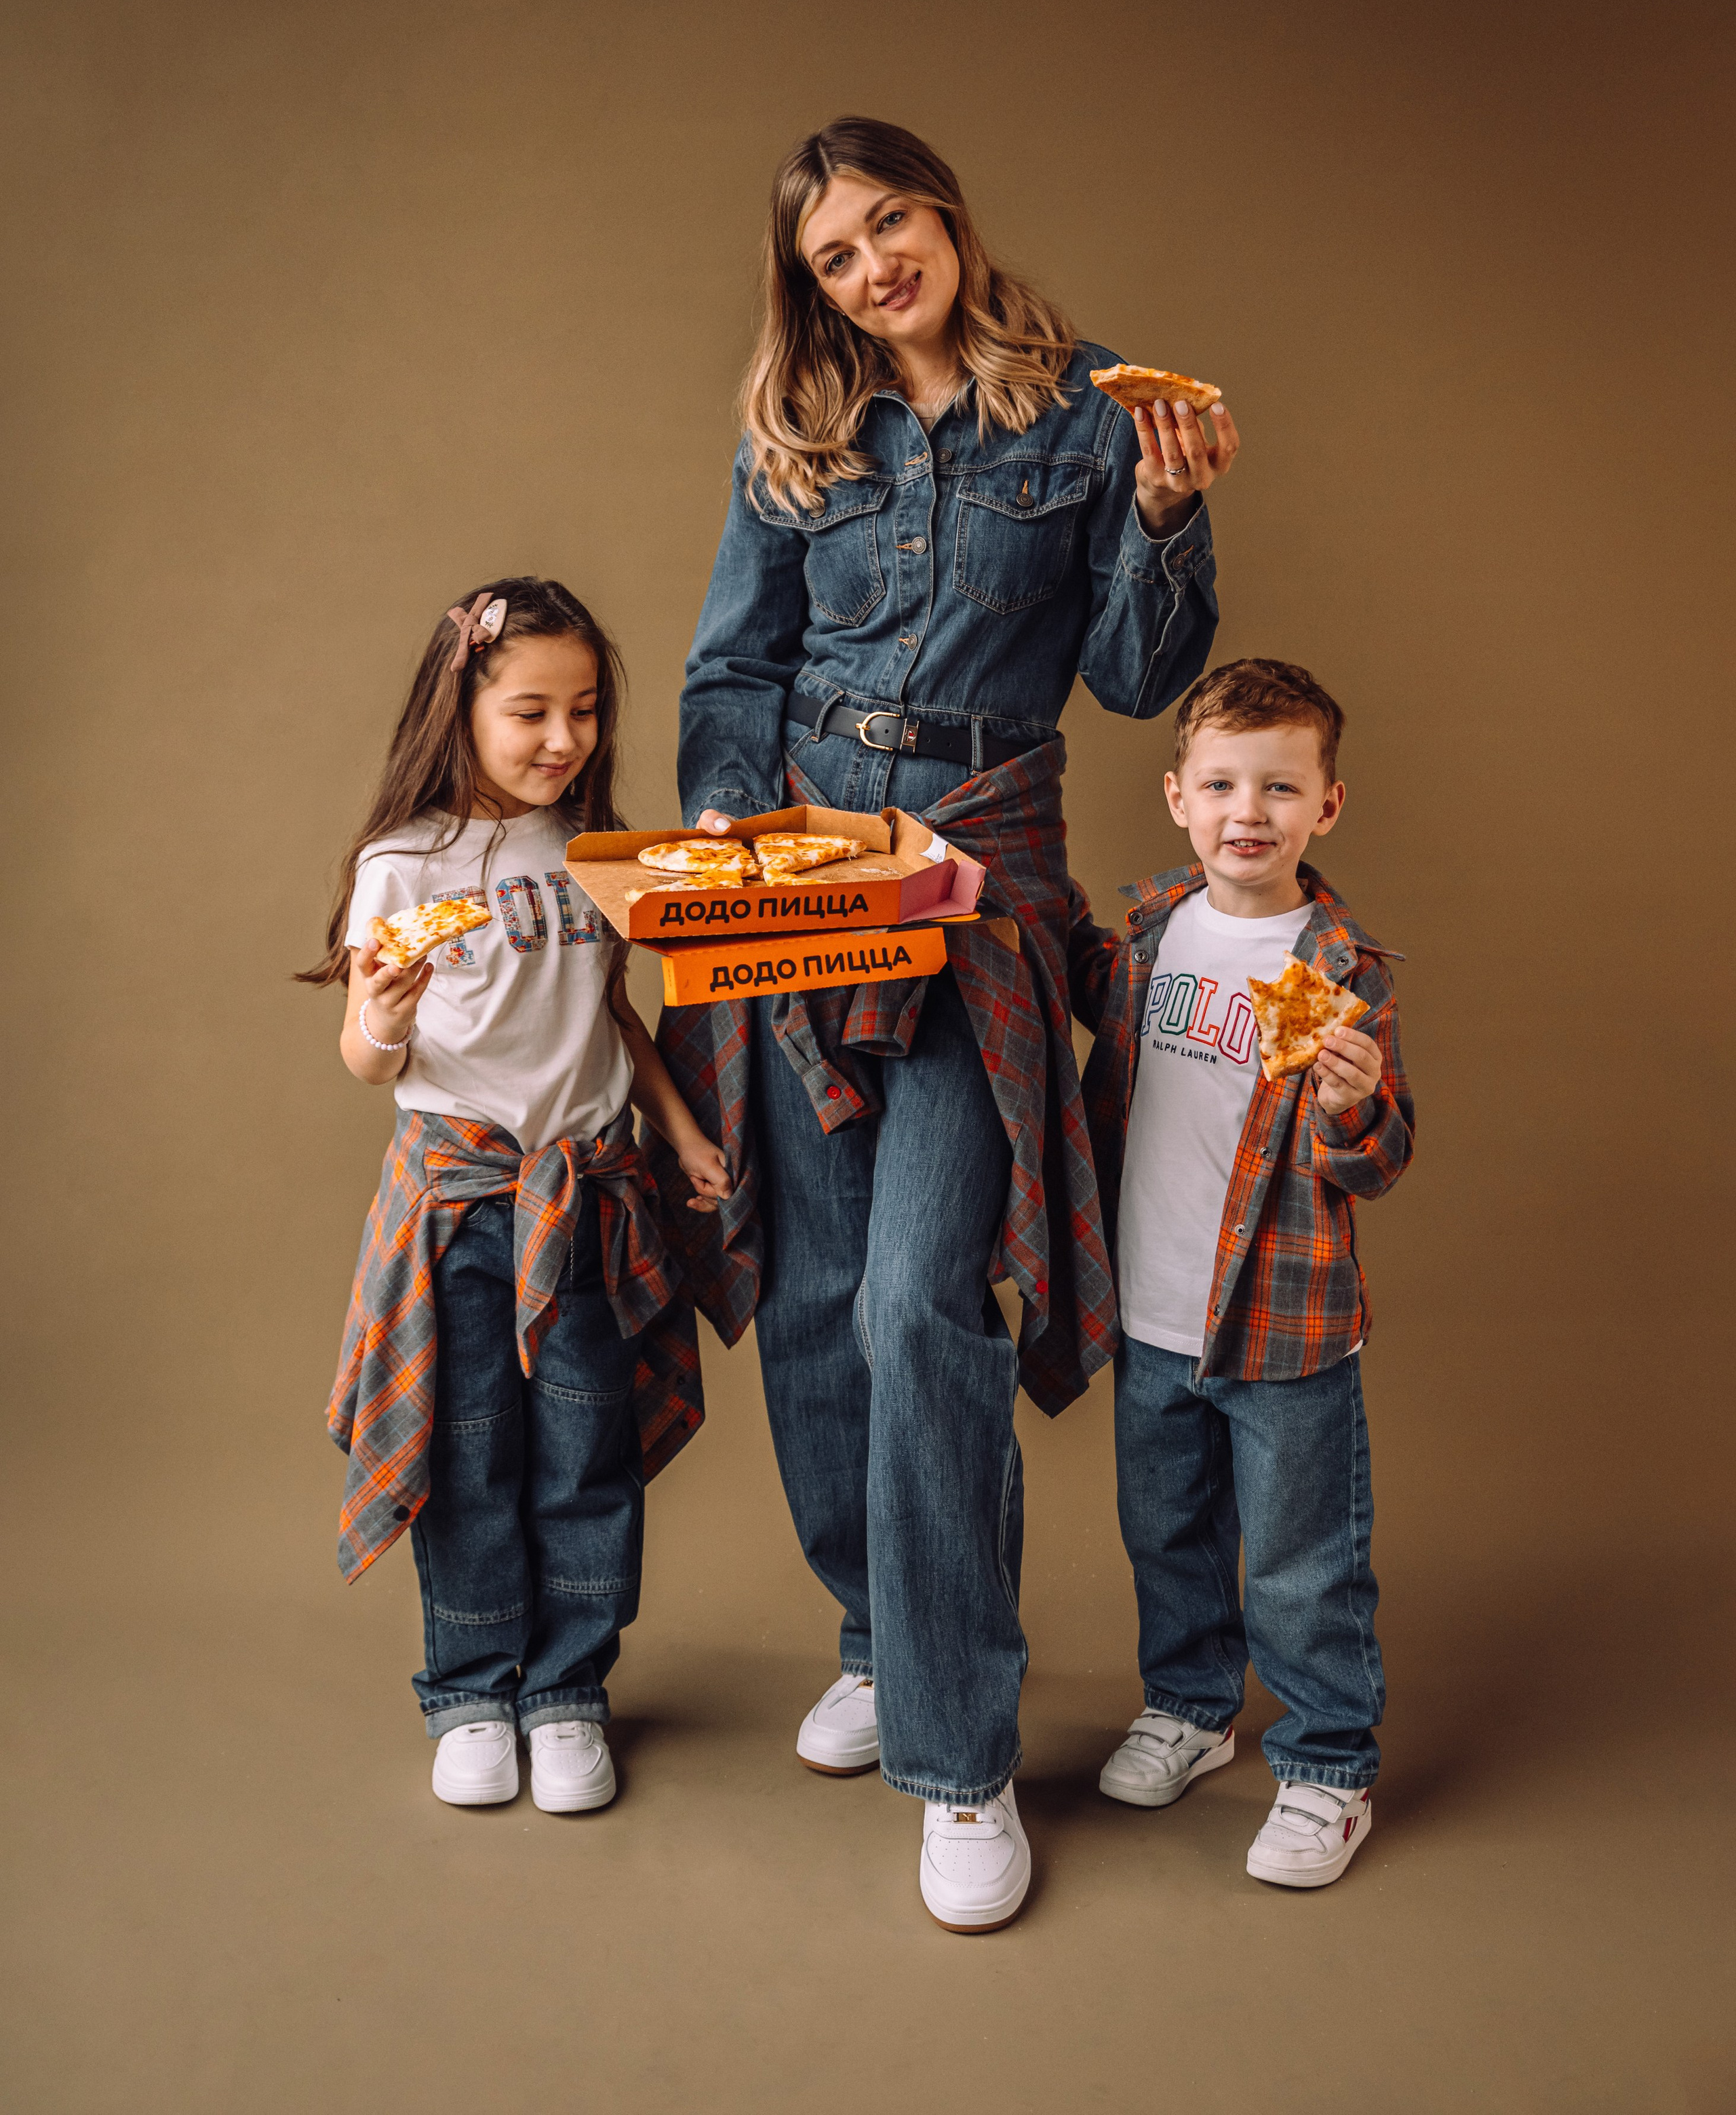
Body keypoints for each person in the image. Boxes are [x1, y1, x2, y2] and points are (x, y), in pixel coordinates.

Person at [661, 117, 1239, 1930]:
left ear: (949, 211)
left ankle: (960, 1760)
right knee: (819, 1303)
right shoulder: (798, 441)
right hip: (799, 879)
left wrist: (1160, 511)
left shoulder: (1084, 413)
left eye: (889, 222)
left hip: (983, 879)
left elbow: (1139, 682)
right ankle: (875, 1631)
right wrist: (735, 879)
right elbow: (730, 672)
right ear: (806, 283)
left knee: (924, 1300)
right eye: (832, 255)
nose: (871, 268)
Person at [300, 577, 730, 1812]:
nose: (563, 739)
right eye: (531, 710)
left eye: (586, 710)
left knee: (585, 1451)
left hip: (592, 1196)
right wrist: (380, 1019)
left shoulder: (597, 858)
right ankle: (474, 1688)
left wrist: (684, 1131)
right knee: (473, 1449)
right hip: (464, 1203)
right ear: (463, 707)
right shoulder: (403, 863)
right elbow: (368, 1055)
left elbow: (605, 1016)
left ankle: (569, 1690)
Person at [1071, 657, 1415, 1888]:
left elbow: (1380, 1166)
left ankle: (1328, 1766)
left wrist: (1353, 1112)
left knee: (1302, 1559)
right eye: (1221, 783)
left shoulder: (1342, 968)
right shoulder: (1149, 930)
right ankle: (1193, 1707)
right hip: (1154, 1311)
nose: (1247, 811)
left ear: (1327, 806)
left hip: (1287, 1328)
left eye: (1280, 786)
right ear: (1177, 796)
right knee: (1166, 1530)